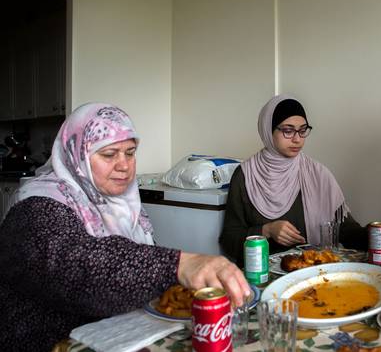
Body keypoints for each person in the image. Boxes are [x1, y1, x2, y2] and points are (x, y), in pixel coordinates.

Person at [0, 103, 250, 352]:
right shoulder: (36, 205)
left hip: (113, 334)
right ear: (77, 154)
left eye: (130, 152)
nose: (124, 165)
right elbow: (75, 263)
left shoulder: (122, 204)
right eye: (109, 154)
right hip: (53, 342)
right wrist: (178, 264)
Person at [220, 95, 367, 266]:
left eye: (302, 130)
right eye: (288, 131)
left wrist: (380, 233)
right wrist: (266, 231)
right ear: (268, 130)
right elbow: (229, 240)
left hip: (311, 273)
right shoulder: (245, 175)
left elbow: (344, 231)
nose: (297, 139)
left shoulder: (318, 174)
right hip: (263, 277)